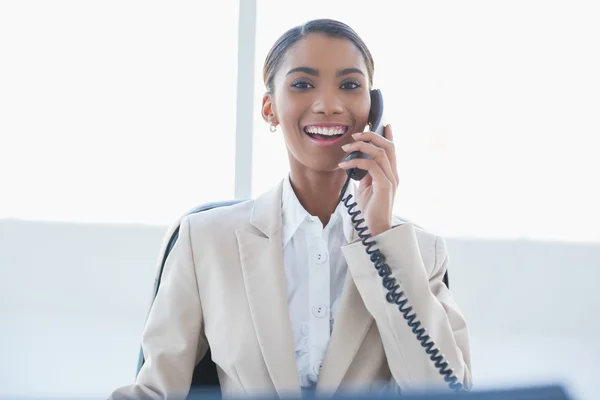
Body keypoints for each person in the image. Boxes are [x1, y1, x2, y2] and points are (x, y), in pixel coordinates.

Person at [109, 18, 472, 400]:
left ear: (372, 109)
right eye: (302, 84)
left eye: (350, 85)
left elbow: (444, 391)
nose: (328, 105)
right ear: (270, 109)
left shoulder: (421, 251)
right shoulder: (205, 240)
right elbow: (154, 392)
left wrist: (381, 237)